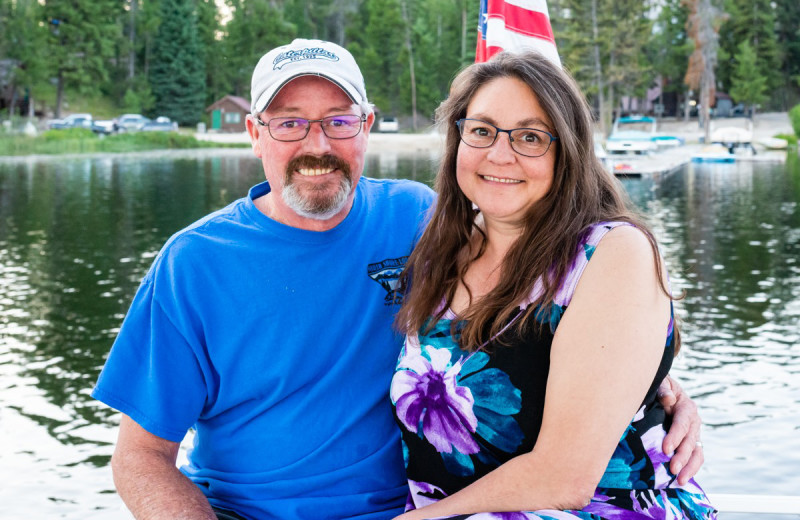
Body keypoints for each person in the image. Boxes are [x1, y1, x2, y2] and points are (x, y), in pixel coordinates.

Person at [92, 39, 704, 520]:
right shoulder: (194, 263)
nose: (316, 144)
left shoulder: (421, 221)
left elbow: (564, 313)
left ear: (367, 126)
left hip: (420, 511)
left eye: (338, 121)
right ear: (254, 132)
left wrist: (649, 385)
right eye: (288, 122)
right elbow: (141, 456)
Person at [390, 50, 716, 519]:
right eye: (481, 130)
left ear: (567, 150)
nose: (500, 154)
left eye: (530, 137)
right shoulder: (441, 248)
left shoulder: (612, 254)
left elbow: (565, 479)